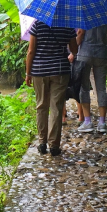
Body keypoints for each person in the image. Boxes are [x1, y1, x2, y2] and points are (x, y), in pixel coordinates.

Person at [25, 19, 78, 156]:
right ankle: (54, 145)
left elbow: (31, 51)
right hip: (60, 71)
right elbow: (74, 49)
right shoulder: (67, 25)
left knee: (41, 105)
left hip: (39, 71)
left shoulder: (37, 24)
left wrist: (28, 73)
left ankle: (42, 143)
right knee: (56, 107)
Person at [75, 24, 107, 134]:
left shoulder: (85, 13)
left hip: (85, 53)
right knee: (101, 88)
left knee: (84, 87)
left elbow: (81, 33)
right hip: (102, 53)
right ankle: (102, 123)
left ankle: (87, 122)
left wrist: (73, 47)